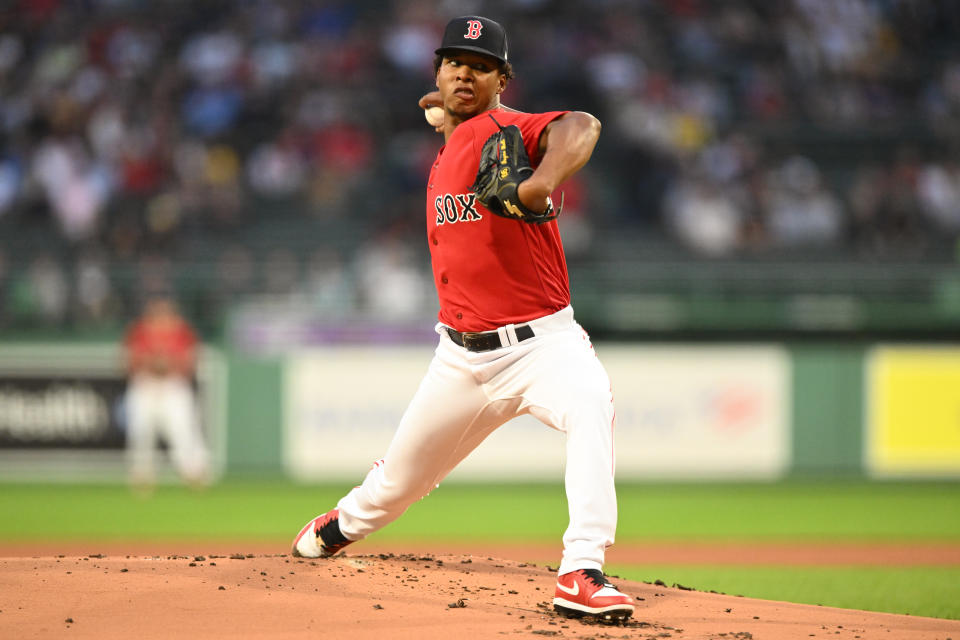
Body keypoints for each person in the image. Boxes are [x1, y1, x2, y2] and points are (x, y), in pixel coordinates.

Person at [291, 15, 634, 622]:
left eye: (481, 65)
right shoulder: (453, 140)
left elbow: (582, 125)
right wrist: (444, 114)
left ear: (504, 78)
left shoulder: (510, 128)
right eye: (455, 63)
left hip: (542, 345)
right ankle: (338, 526)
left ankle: (581, 569)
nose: (465, 73)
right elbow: (451, 116)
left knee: (591, 407)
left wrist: (538, 186)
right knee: (395, 487)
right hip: (459, 356)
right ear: (438, 72)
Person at [123, 295, 209, 490]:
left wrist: (164, 363)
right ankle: (141, 475)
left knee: (183, 430)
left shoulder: (182, 331)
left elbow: (191, 362)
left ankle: (193, 472)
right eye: (158, 311)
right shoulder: (140, 330)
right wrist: (155, 363)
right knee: (141, 431)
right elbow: (128, 361)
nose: (162, 315)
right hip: (145, 385)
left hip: (173, 385)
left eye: (166, 311)